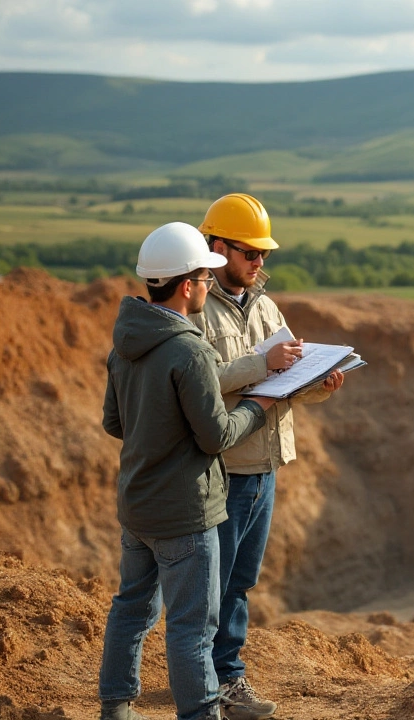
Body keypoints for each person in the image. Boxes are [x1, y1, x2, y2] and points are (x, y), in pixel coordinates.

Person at [97, 222, 279, 720]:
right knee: (192, 628)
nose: (207, 285)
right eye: (204, 276)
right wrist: (259, 406)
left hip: (137, 505)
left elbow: (116, 422)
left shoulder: (125, 344)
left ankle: (115, 708)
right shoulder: (190, 349)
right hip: (187, 510)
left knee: (131, 609)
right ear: (187, 285)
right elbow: (216, 436)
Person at [189, 193, 345, 720]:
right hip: (225, 467)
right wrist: (260, 362)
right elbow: (198, 381)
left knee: (239, 582)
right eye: (249, 252)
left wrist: (320, 383)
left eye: (264, 255)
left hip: (265, 465)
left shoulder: (265, 306)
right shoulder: (195, 310)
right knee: (211, 585)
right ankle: (210, 684)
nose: (259, 263)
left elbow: (284, 379)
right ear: (216, 247)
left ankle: (223, 679)